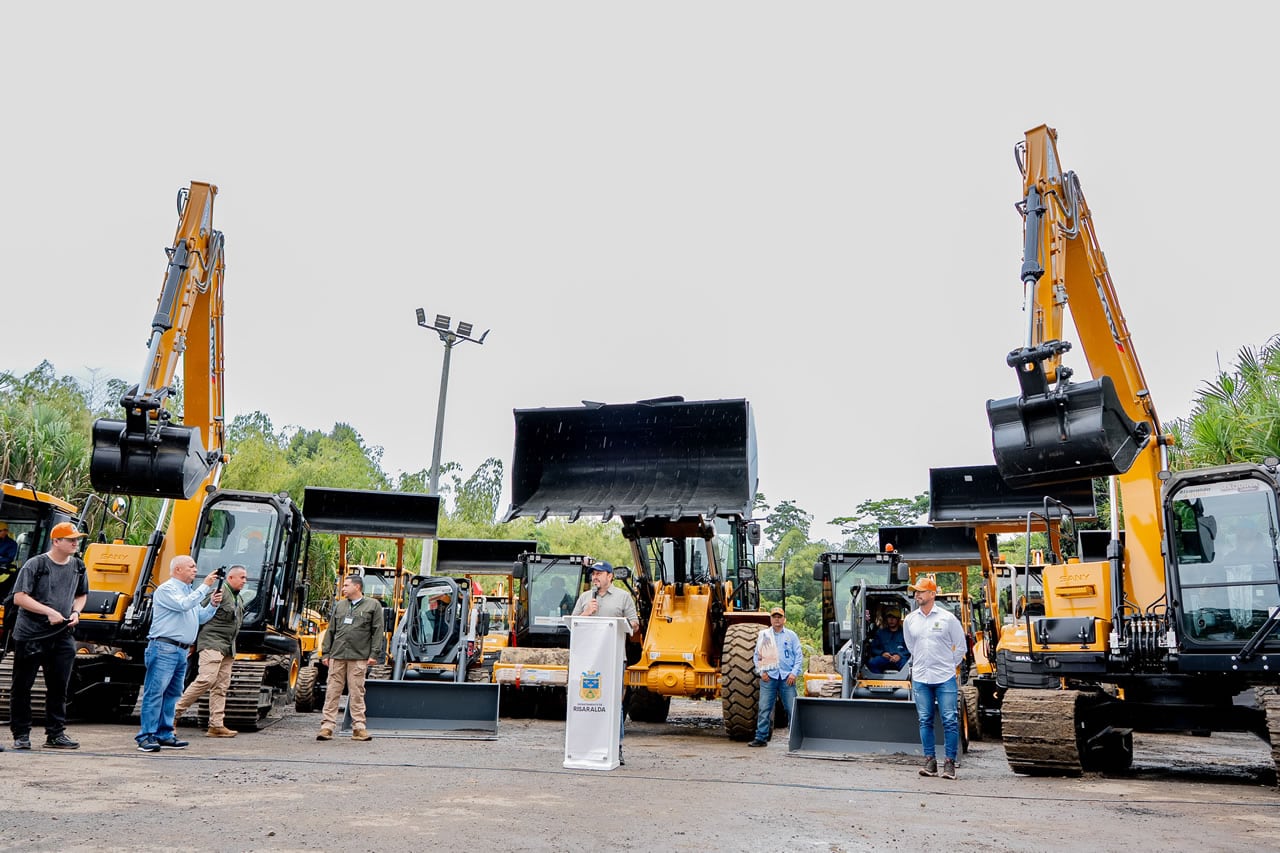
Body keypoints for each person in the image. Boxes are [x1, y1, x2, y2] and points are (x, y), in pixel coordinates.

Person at [8, 521, 89, 751]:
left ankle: (55, 733)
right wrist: (48, 611)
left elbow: (82, 594)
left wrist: (76, 612)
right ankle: (21, 734)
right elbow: (20, 597)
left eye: (76, 539)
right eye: (70, 539)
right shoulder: (36, 565)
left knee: (59, 686)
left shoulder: (78, 566)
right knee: (22, 685)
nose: (75, 543)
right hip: (32, 634)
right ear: (56, 541)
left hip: (62, 633)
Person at [136, 555, 221, 753]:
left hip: (181, 650)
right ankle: (146, 735)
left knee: (173, 693)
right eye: (191, 566)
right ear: (178, 570)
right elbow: (183, 605)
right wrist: (205, 587)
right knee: (155, 692)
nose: (195, 569)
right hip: (164, 647)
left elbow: (200, 617)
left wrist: (213, 606)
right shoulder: (167, 590)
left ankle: (165, 733)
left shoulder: (188, 592)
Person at [572, 561, 640, 765]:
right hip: (587, 660)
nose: (595, 577)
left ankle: (615, 746)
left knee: (613, 703)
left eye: (599, 574)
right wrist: (586, 613)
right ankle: (586, 744)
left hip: (613, 658)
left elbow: (634, 625)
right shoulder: (585, 598)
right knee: (587, 701)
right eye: (593, 574)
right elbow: (572, 623)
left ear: (610, 576)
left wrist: (627, 625)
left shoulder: (623, 597)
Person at [903, 576, 967, 780]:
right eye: (916, 591)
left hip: (944, 677)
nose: (917, 594)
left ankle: (949, 762)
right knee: (925, 720)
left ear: (932, 594)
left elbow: (961, 647)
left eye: (921, 591)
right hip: (921, 677)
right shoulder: (911, 620)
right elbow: (911, 646)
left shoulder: (948, 619)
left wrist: (948, 665)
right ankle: (929, 761)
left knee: (949, 719)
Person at [174, 565, 248, 738]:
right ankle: (173, 714)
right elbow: (197, 616)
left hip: (228, 647)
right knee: (206, 679)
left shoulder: (238, 598)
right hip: (212, 642)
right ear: (230, 578)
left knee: (221, 686)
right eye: (242, 577)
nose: (245, 581)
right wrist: (193, 642)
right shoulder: (218, 593)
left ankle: (216, 725)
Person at [317, 574, 385, 742]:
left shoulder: (373, 605)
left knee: (357, 692)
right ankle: (327, 727)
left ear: (357, 587)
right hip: (338, 655)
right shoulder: (340, 606)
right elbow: (331, 630)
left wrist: (374, 654)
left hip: (359, 656)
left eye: (346, 585)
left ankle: (359, 728)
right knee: (332, 691)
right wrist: (326, 653)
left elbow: (377, 631)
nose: (343, 588)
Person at [748, 606, 802, 748]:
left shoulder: (791, 636)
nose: (777, 619)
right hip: (769, 677)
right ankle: (761, 737)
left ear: (784, 619)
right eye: (774, 617)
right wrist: (762, 672)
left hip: (787, 678)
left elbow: (798, 656)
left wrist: (793, 673)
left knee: (792, 709)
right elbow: (756, 656)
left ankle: (795, 739)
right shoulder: (764, 635)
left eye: (779, 617)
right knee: (764, 708)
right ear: (770, 619)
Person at [866, 608, 910, 674]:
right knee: (872, 663)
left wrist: (900, 655)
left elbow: (910, 649)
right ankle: (878, 681)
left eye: (894, 617)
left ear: (898, 619)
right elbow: (873, 648)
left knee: (908, 667)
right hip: (884, 658)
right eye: (889, 617)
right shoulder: (880, 633)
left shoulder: (905, 633)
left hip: (900, 659)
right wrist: (882, 653)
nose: (891, 620)